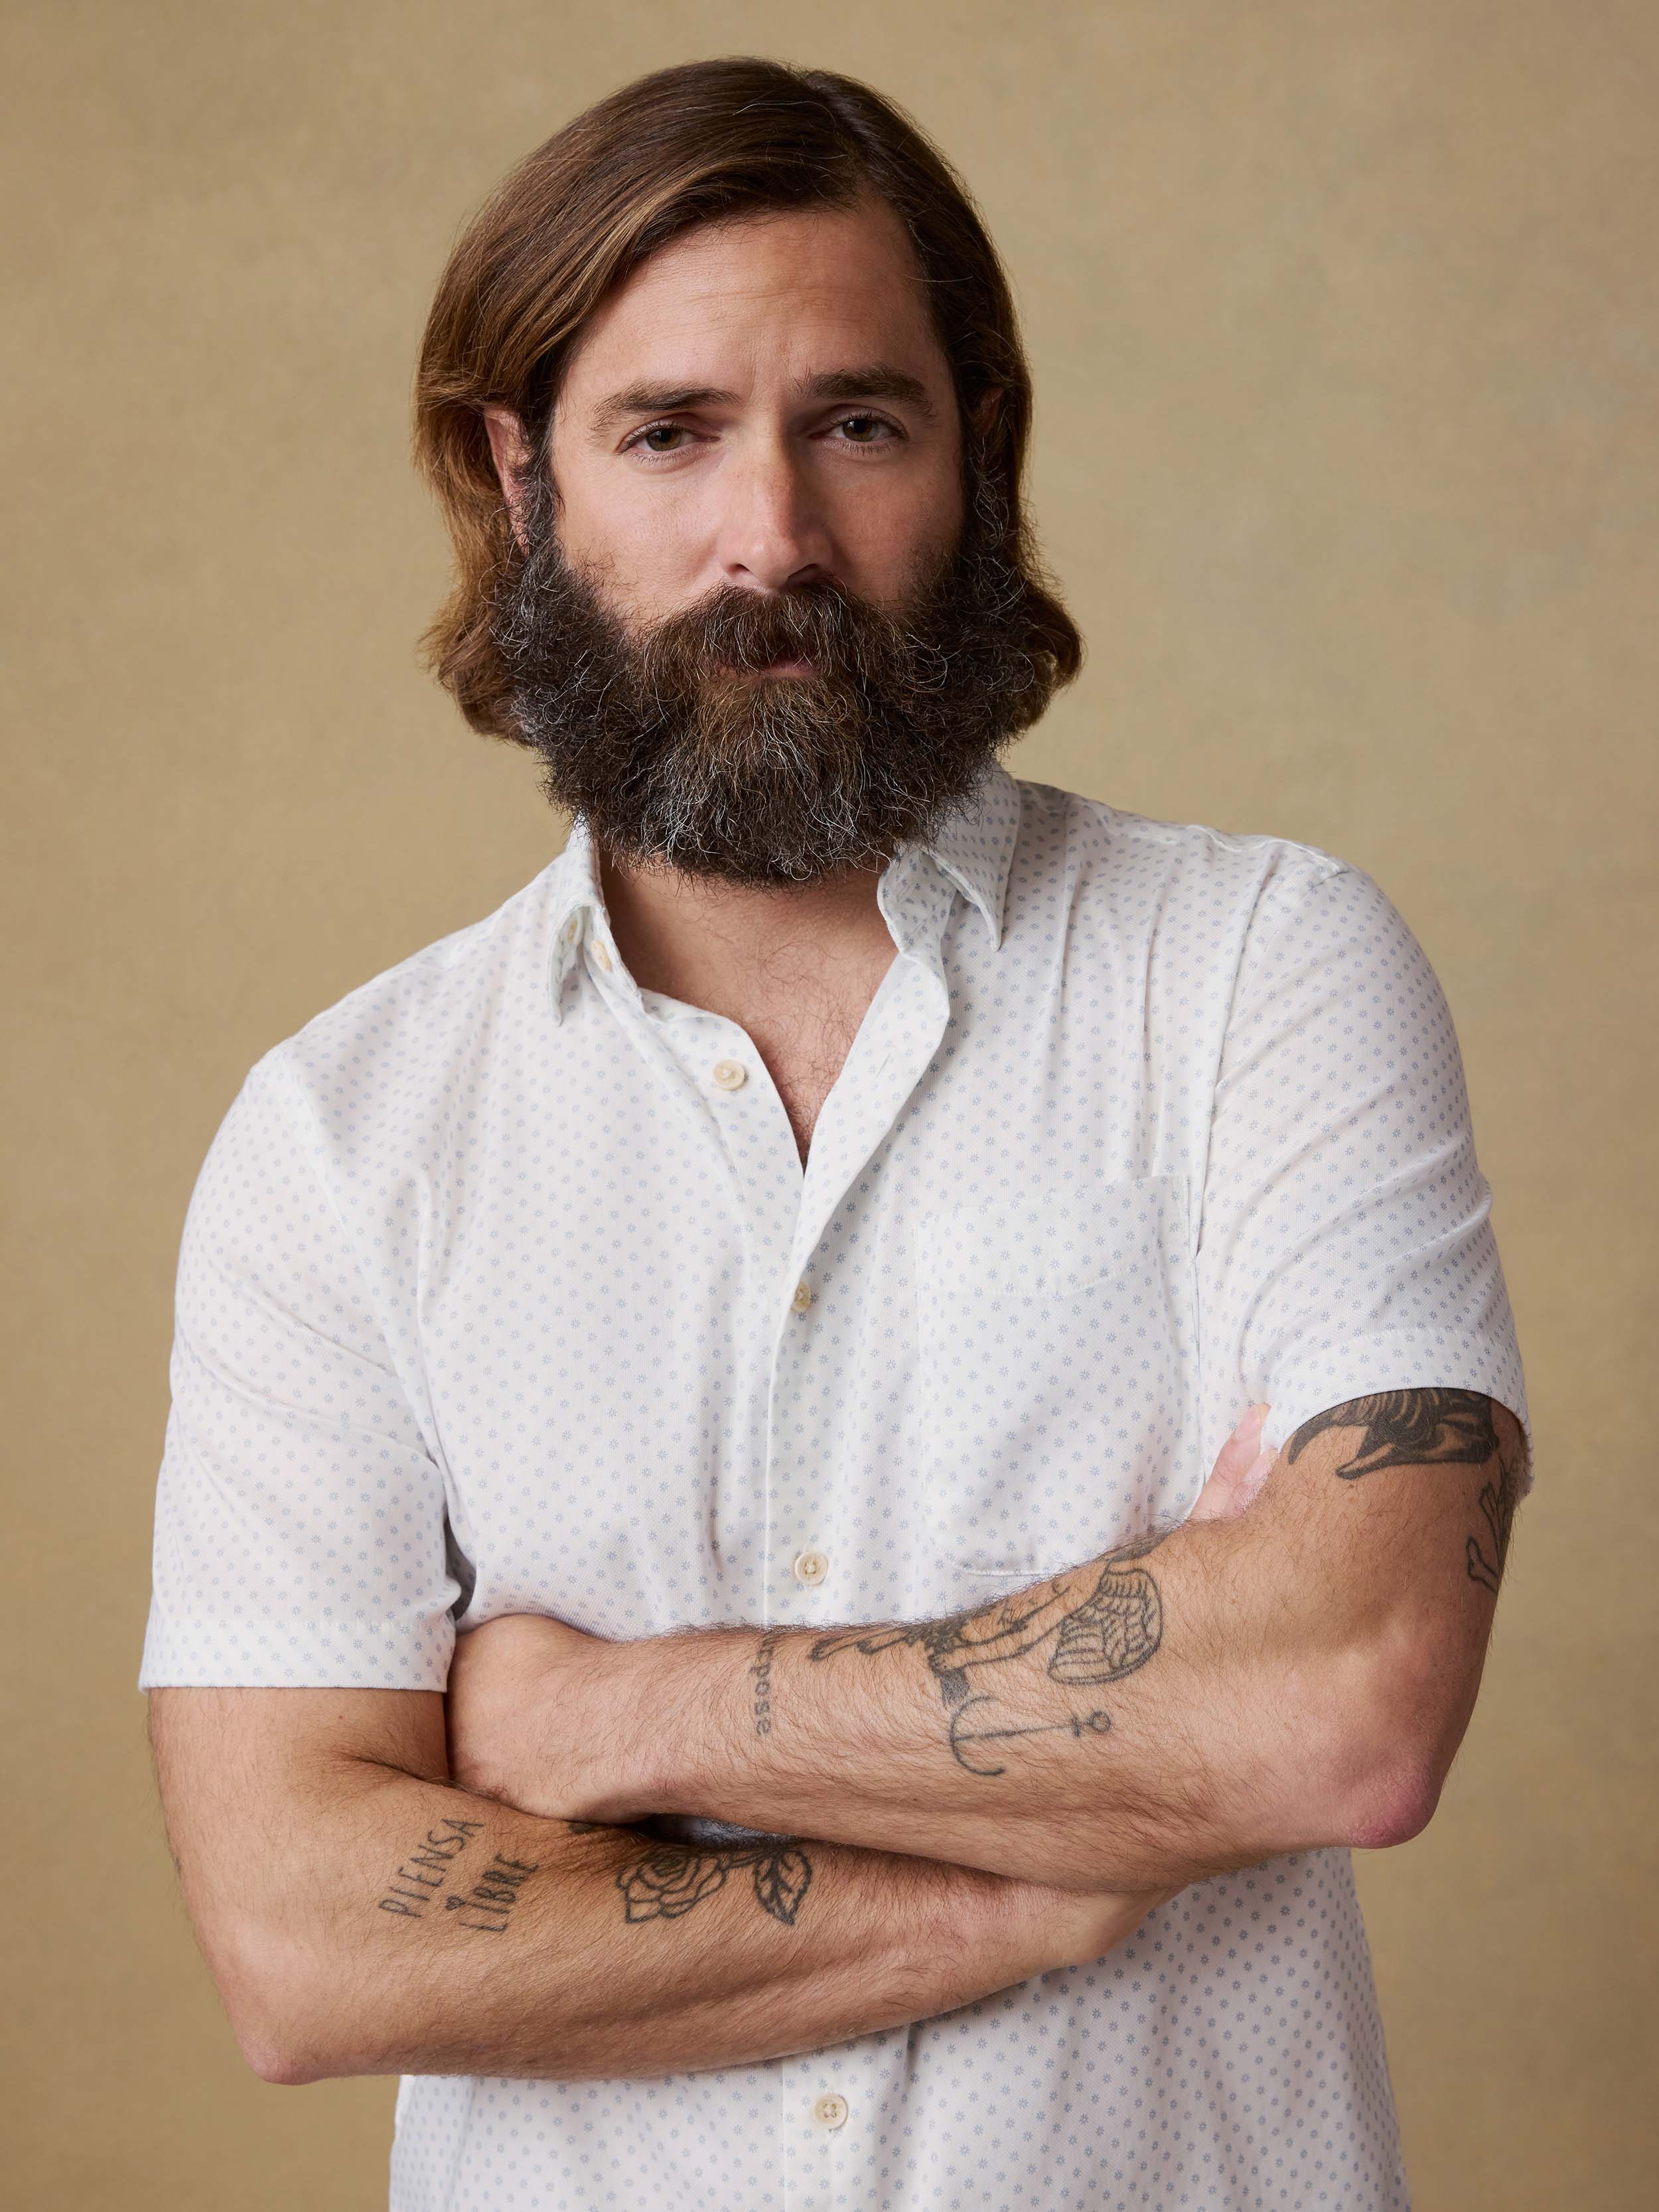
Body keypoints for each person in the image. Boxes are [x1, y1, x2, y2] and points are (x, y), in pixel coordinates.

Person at [139, 55, 1531, 2212]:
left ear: (977, 454)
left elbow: (1343, 1698)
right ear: (521, 480)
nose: (767, 538)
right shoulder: (345, 1139)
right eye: (668, 432)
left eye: (854, 424)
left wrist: (613, 1723)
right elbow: (303, 1943)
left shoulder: (1259, 971)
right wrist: (1041, 1887)